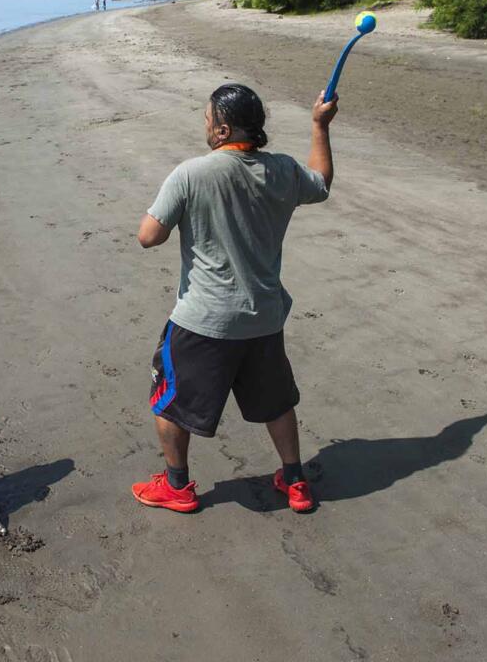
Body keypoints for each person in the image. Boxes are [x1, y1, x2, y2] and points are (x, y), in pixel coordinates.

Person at [131, 83, 338, 514]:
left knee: (167, 401)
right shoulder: (281, 170)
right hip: (263, 317)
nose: (204, 125)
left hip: (205, 320)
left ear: (222, 130)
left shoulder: (192, 173)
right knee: (276, 402)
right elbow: (321, 183)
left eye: (208, 119)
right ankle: (295, 479)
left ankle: (176, 485)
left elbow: (148, 236)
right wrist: (319, 126)